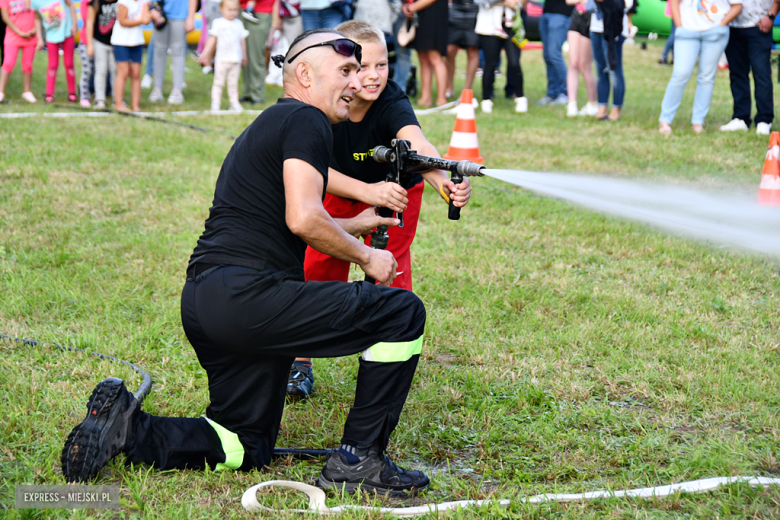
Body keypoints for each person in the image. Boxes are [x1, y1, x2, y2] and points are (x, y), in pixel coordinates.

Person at [61, 28, 431, 497]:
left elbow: (279, 210)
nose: (356, 82)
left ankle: (129, 432)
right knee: (402, 313)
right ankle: (359, 461)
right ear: (303, 73)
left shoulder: (276, 122)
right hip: (249, 296)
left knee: (244, 444)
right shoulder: (305, 118)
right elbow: (303, 217)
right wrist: (367, 256)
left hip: (207, 301)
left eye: (360, 71)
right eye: (346, 71)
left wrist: (354, 224)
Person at [288, 20, 472, 399]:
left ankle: (384, 357)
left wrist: (444, 181)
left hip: (395, 192)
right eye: (359, 67)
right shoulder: (321, 103)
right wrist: (364, 192)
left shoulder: (391, 100)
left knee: (390, 264)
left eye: (382, 65)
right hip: (340, 188)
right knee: (318, 263)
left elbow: (416, 143)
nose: (372, 76)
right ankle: (299, 361)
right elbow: (316, 171)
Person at [658, 0, 742, 134]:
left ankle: (698, 121)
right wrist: (679, 26)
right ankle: (665, 120)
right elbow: (674, 2)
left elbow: (737, 6)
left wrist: (722, 24)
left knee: (706, 77)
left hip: (715, 32)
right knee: (680, 74)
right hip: (687, 31)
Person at [719, 0, 780, 134]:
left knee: (761, 72)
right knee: (737, 73)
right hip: (732, 25)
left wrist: (771, 16)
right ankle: (741, 117)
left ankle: (764, 119)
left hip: (758, 25)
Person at [474, 0, 527, 113]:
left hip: (512, 25)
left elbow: (519, 3)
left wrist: (517, 4)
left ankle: (520, 98)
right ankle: (486, 99)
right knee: (490, 64)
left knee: (514, 63)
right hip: (489, 26)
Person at [199, 0, 249, 111]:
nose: (232, 13)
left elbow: (242, 41)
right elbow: (212, 39)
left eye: (235, 10)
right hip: (221, 59)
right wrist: (205, 53)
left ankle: (234, 102)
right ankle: (216, 102)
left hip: (235, 59)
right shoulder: (218, 23)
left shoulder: (239, 24)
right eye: (229, 10)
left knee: (233, 83)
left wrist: (244, 56)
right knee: (218, 82)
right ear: (221, 9)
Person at [590, 0, 632, 121]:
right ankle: (602, 106)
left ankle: (616, 108)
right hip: (596, 26)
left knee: (614, 70)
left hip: (614, 27)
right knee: (600, 70)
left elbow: (628, 4)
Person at [148, 0, 196, 104]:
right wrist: (152, 9)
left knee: (178, 51)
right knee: (159, 51)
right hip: (159, 11)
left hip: (180, 14)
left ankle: (177, 89)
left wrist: (191, 17)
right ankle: (157, 88)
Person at [32, 0, 77, 103]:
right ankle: (49, 93)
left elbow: (71, 4)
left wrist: (74, 24)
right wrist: (39, 38)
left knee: (69, 63)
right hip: (51, 36)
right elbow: (37, 18)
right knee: (52, 65)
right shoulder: (34, 2)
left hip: (67, 33)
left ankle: (72, 92)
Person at [405, 0, 449, 107]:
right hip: (420, 14)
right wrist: (406, 6)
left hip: (434, 14)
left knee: (435, 57)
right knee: (423, 57)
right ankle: (425, 98)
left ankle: (441, 99)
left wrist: (413, 7)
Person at [111, 0, 151, 111]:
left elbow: (145, 19)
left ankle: (136, 105)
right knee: (123, 72)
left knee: (136, 73)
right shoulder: (123, 2)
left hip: (137, 40)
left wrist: (148, 17)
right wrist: (141, 20)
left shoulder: (144, 1)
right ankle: (118, 104)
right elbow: (122, 21)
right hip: (121, 41)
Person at [0, 0, 39, 103]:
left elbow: (38, 13)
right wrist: (19, 32)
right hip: (13, 36)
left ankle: (27, 92)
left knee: (27, 65)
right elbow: (5, 17)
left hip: (31, 36)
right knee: (8, 63)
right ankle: (1, 92)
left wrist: (35, 29)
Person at [565, 0, 598, 116]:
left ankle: (592, 103)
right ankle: (572, 103)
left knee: (584, 65)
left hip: (591, 17)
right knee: (573, 63)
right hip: (577, 15)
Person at [538, 0, 573, 105]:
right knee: (547, 56)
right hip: (546, 12)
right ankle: (552, 93)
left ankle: (565, 92)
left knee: (554, 54)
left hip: (561, 14)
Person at [239, 0, 273, 105]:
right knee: (245, 55)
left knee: (255, 55)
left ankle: (257, 94)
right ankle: (248, 92)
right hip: (243, 9)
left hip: (260, 12)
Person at [445, 0, 480, 99]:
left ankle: (466, 90)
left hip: (475, 11)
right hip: (455, 10)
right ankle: (449, 87)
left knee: (472, 51)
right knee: (449, 50)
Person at [86, 0, 117, 109]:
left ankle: (117, 99)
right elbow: (89, 23)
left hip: (116, 43)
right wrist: (90, 44)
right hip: (99, 42)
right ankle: (100, 100)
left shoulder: (120, 2)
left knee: (115, 70)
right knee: (101, 69)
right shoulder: (96, 3)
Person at [78, 0, 95, 106]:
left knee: (99, 70)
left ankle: (99, 95)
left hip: (100, 41)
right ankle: (84, 95)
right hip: (86, 42)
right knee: (87, 70)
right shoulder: (86, 2)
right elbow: (87, 18)